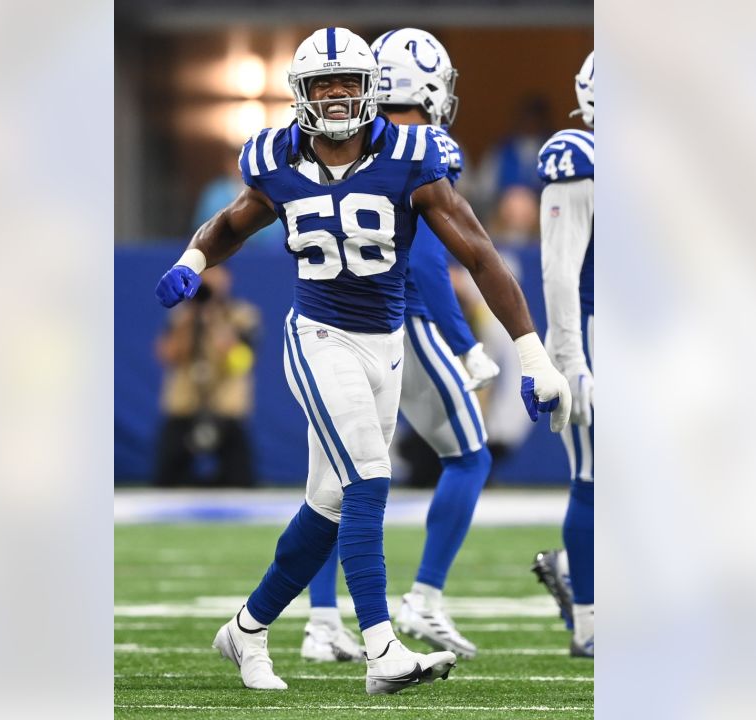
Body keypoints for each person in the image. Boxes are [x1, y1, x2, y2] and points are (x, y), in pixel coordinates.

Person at [155, 27, 570, 695]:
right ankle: (383, 650)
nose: (339, 95)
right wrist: (191, 260)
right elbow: (233, 221)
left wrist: (532, 355)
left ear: (372, 87)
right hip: (319, 336)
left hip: (387, 345)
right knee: (368, 481)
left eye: (349, 81)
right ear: (302, 95)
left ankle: (247, 629)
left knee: (326, 507)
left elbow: (480, 253)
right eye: (325, 84)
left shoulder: (409, 154)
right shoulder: (274, 158)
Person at [299, 27, 500, 664]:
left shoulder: (345, 141)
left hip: (326, 327)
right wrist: (466, 343)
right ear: (432, 85)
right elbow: (429, 265)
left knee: (336, 482)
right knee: (469, 456)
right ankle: (425, 598)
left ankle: (322, 621)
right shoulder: (424, 146)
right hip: (399, 323)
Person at [529, 51, 595, 659]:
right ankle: (591, 621)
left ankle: (575, 572)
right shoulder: (580, 157)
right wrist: (572, 359)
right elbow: (559, 271)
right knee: (595, 478)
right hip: (595, 335)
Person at [153, 265, 259, 487]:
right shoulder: (180, 316)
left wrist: (217, 323)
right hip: (184, 406)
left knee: (241, 482)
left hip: (226, 408)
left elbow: (242, 363)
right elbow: (167, 355)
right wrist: (190, 319)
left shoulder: (241, 315)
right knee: (165, 481)